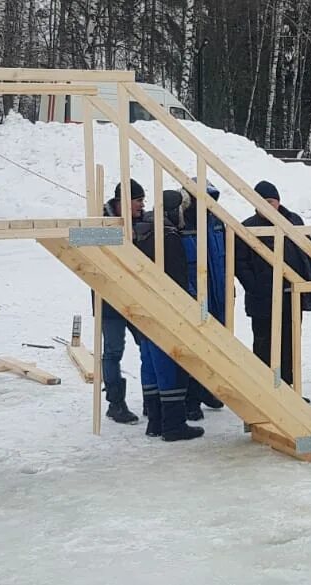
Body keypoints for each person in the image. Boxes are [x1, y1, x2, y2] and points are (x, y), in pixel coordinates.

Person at [234, 181, 311, 387]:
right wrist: (255, 287)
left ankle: (288, 390)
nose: (266, 206)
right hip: (262, 299)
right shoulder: (247, 227)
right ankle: (265, 391)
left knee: (290, 344)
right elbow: (240, 263)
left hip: (291, 294)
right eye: (261, 202)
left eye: (270, 201)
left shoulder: (294, 221)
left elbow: (310, 253)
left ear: (278, 202)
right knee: (264, 344)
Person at [136, 189, 204, 442]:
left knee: (150, 366)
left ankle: (155, 421)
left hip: (143, 309)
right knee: (169, 368)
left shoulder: (143, 232)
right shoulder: (168, 237)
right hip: (166, 310)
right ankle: (173, 425)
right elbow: (177, 280)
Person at [98, 180, 147, 425]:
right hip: (110, 300)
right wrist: (116, 233)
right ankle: (116, 403)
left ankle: (152, 397)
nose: (142, 205)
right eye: (138, 201)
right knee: (113, 351)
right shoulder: (100, 221)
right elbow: (76, 238)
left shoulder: (144, 222)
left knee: (149, 347)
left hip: (138, 299)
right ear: (123, 202)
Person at [179, 185, 228, 420]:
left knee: (214, 345)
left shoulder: (217, 221)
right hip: (194, 293)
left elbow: (228, 255)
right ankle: (190, 400)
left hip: (218, 290)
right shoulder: (182, 222)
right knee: (194, 347)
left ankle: (207, 389)